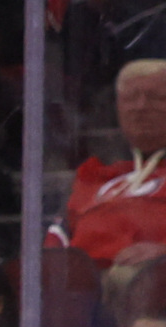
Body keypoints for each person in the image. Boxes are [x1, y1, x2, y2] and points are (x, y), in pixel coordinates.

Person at [59, 62, 166, 300]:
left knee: (131, 277)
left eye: (157, 98)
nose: (140, 107)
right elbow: (59, 239)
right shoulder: (96, 175)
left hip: (149, 283)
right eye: (130, 98)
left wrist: (163, 255)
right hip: (85, 287)